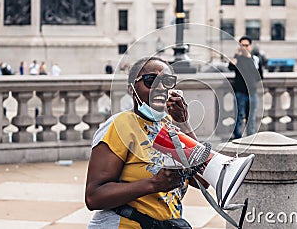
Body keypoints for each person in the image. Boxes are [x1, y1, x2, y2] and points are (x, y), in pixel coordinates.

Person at [85, 57, 208, 229]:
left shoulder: (171, 127)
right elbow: (94, 196)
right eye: (151, 80)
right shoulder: (120, 126)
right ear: (131, 89)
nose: (160, 88)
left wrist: (184, 123)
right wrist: (154, 184)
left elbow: (203, 180)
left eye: (167, 82)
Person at [228, 36, 263, 140]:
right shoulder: (237, 58)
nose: (244, 47)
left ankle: (250, 139)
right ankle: (237, 139)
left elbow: (259, 76)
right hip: (240, 92)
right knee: (239, 117)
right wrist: (236, 54)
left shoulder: (255, 59)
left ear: (250, 47)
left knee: (251, 118)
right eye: (242, 45)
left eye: (246, 45)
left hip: (252, 93)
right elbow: (230, 67)